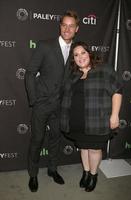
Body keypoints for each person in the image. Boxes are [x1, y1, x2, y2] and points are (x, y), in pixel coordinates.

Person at [25, 10, 79, 192]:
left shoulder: (77, 51)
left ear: (76, 29)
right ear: (60, 26)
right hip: (42, 103)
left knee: (56, 138)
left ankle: (52, 169)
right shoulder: (45, 46)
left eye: (71, 26)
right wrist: (34, 100)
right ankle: (32, 174)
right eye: (64, 25)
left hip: (61, 106)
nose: (67, 29)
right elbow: (30, 73)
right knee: (37, 139)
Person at [61, 41, 123, 192]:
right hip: (77, 120)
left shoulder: (104, 69)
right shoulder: (74, 74)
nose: (80, 57)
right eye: (76, 55)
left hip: (97, 120)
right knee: (83, 147)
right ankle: (86, 172)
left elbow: (117, 91)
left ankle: (93, 175)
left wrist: (115, 115)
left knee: (94, 149)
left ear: (89, 53)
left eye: (83, 52)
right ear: (73, 59)